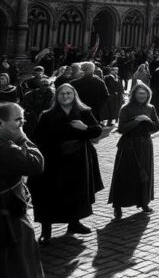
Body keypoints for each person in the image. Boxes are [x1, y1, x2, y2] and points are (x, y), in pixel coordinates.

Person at [27, 84, 103, 242]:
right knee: (49, 194)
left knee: (75, 192)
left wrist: (85, 128)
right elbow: (36, 138)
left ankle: (74, 223)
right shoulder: (47, 115)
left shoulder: (84, 112)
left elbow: (97, 131)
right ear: (57, 96)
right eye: (62, 93)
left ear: (74, 95)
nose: (66, 96)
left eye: (69, 93)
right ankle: (46, 231)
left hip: (79, 159)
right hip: (54, 160)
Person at [0, 103, 45, 278]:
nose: (22, 125)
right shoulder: (7, 149)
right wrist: (23, 138)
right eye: (18, 120)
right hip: (10, 220)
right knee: (21, 263)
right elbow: (37, 163)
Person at [108, 83, 159, 218]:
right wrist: (136, 121)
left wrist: (147, 120)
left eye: (145, 94)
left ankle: (143, 202)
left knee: (145, 174)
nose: (142, 96)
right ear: (134, 94)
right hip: (129, 145)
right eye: (139, 93)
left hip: (145, 145)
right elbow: (121, 129)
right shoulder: (126, 108)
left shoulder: (150, 108)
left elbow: (156, 127)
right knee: (125, 175)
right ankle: (118, 205)